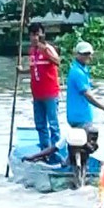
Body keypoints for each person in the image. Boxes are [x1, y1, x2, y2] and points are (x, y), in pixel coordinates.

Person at [18, 22, 61, 162]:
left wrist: (46, 53)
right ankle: (44, 152)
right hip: (37, 95)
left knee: (53, 125)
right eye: (32, 35)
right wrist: (21, 71)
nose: (34, 37)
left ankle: (55, 152)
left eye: (37, 34)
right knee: (40, 125)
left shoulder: (48, 48)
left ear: (42, 35)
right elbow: (34, 70)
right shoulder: (32, 51)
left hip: (50, 94)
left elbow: (58, 62)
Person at [66, 41, 104, 128]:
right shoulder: (77, 72)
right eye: (85, 54)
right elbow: (88, 96)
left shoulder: (82, 69)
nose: (88, 56)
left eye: (89, 54)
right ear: (77, 54)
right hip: (80, 118)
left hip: (82, 116)